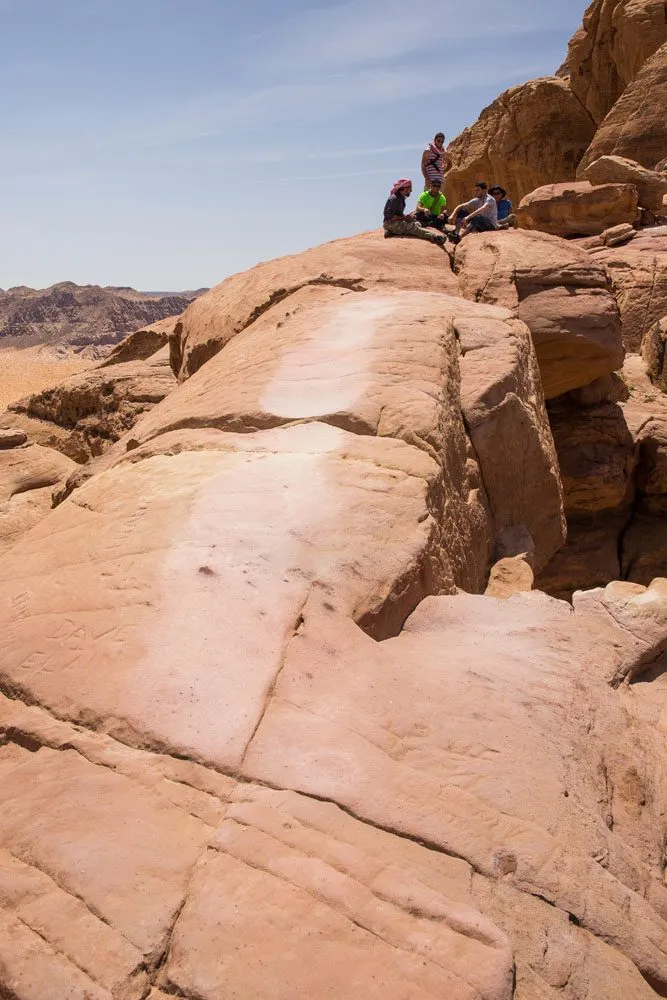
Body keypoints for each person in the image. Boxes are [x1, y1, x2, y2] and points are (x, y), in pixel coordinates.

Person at [383, 179, 446, 245]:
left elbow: (398, 214)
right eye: (410, 188)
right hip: (390, 224)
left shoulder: (400, 198)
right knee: (413, 227)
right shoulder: (395, 199)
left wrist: (408, 217)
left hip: (395, 223)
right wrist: (405, 218)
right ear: (405, 188)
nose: (411, 190)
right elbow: (390, 217)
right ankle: (435, 237)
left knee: (417, 223)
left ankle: (392, 232)